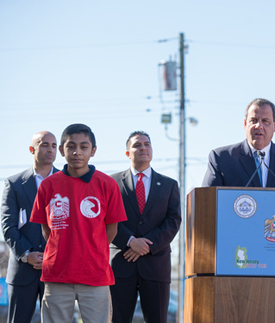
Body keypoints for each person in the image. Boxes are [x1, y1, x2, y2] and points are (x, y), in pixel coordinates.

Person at [30, 123, 127, 323]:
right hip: (56, 273)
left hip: (95, 274)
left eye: (84, 147)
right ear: (61, 150)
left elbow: (112, 229)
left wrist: (91, 247)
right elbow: (46, 229)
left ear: (93, 151)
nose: (77, 152)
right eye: (71, 146)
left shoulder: (107, 184)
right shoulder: (48, 185)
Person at [110, 131, 182, 323]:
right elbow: (107, 218)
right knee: (117, 318)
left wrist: (147, 245)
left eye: (147, 144)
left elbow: (173, 219)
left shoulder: (169, 185)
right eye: (137, 145)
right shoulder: (112, 183)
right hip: (121, 262)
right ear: (127, 153)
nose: (143, 148)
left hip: (156, 264)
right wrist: (130, 241)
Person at [1, 131, 58, 323]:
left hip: (57, 270)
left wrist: (53, 255)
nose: (50, 149)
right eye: (44, 144)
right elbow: (8, 226)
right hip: (22, 271)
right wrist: (26, 255)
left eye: (53, 145)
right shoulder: (14, 183)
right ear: (31, 149)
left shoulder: (67, 182)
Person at [202, 98, 275, 188]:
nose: (259, 126)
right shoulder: (222, 159)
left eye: (265, 121)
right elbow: (207, 201)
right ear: (245, 124)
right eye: (253, 120)